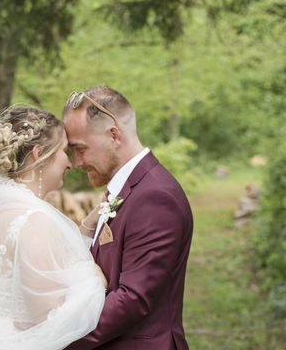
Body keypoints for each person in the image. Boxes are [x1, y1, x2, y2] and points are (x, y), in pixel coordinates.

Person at [0, 105, 107, 350]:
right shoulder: (33, 219)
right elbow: (41, 319)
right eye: (64, 150)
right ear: (38, 154)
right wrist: (95, 283)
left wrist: (86, 226)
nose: (70, 163)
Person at [62, 85, 193, 350]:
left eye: (80, 149)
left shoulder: (155, 196)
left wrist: (57, 338)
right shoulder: (128, 188)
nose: (76, 163)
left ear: (114, 136)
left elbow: (133, 299)